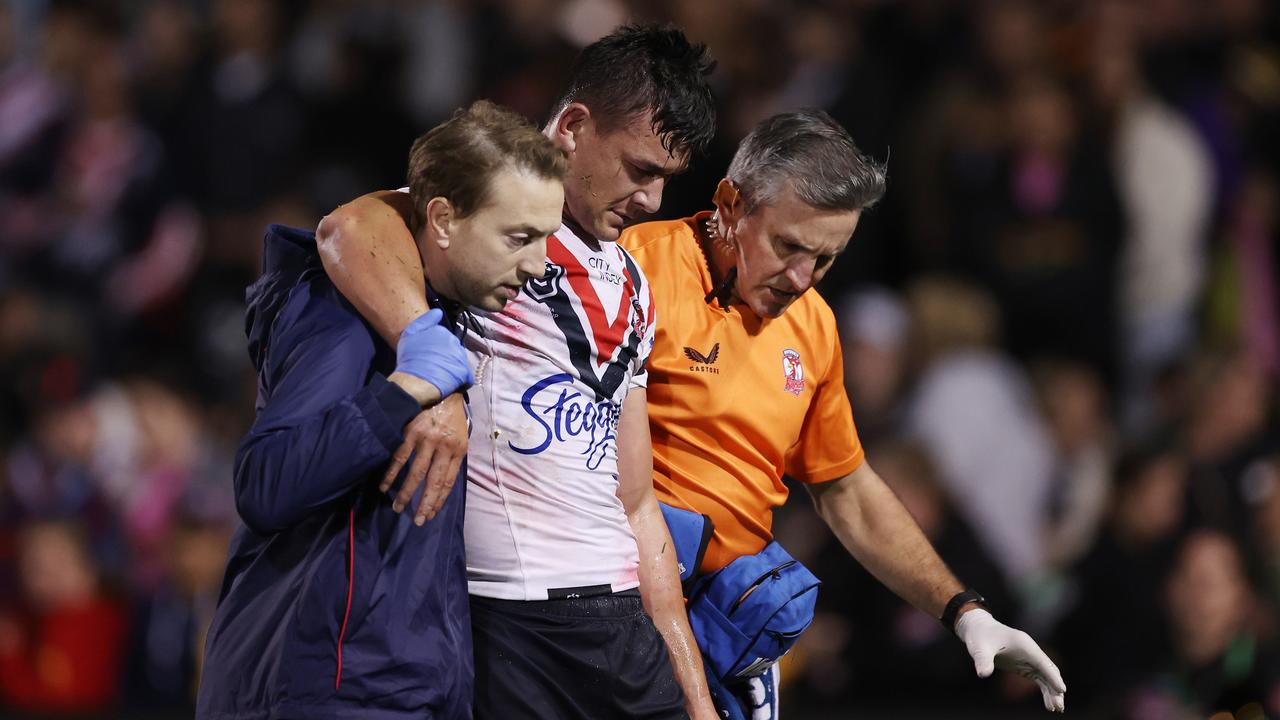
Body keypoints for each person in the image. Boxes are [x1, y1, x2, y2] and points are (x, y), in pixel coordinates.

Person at [316, 24, 718, 720]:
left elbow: (636, 500)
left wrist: (694, 693)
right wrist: (433, 370)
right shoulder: (488, 217)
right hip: (511, 623)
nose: (653, 200)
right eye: (640, 169)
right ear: (573, 125)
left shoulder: (631, 281)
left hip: (622, 623)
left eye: (666, 179)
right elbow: (344, 231)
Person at [617, 108, 1066, 716]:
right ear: (729, 204)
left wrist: (965, 613)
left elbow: (846, 489)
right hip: (618, 609)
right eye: (789, 246)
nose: (802, 278)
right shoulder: (633, 269)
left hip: (730, 627)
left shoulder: (814, 328)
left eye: (825, 260)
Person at [195, 100, 567, 720]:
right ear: (443, 220)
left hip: (399, 686)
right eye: (519, 238)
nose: (538, 264)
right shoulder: (340, 322)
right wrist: (406, 391)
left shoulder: (438, 320)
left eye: (545, 239)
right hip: (323, 689)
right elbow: (265, 482)